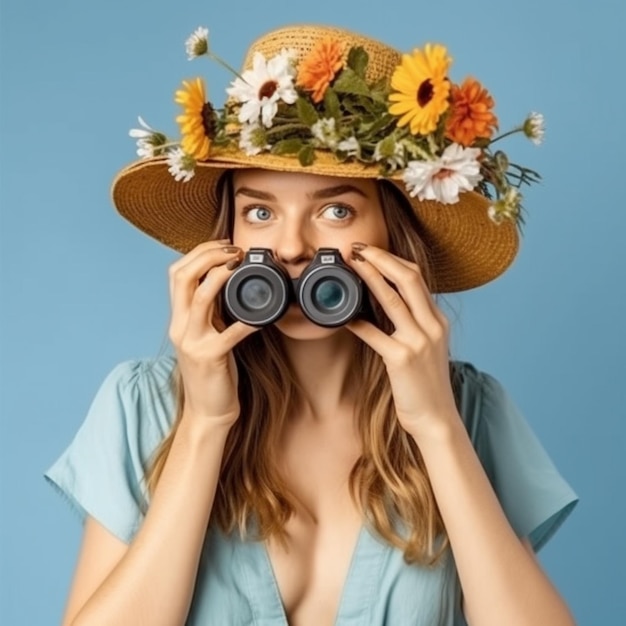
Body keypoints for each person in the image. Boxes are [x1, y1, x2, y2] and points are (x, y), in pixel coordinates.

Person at [45, 23, 578, 626]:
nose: (294, 247)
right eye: (260, 211)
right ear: (228, 237)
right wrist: (204, 424)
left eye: (336, 209)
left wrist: (436, 426)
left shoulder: (469, 412)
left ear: (393, 235)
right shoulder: (143, 406)